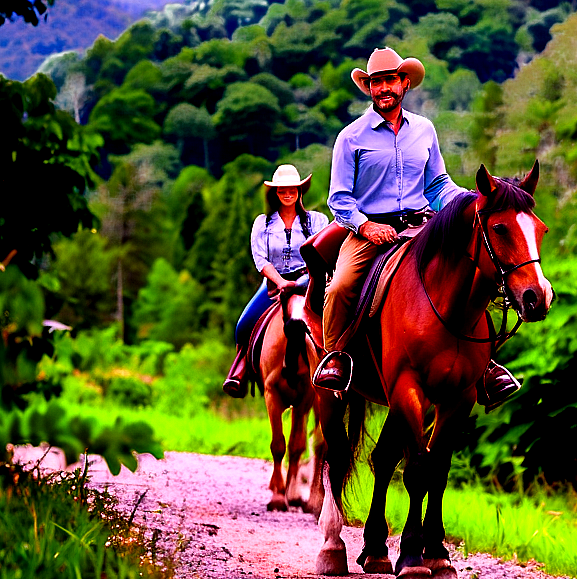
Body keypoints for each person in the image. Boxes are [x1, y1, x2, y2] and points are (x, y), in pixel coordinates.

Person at [312, 46, 522, 411]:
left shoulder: (424, 129)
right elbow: (339, 199)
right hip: (368, 233)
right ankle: (336, 358)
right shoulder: (350, 136)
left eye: (390, 80)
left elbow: (438, 184)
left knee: (470, 272)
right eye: (376, 82)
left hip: (422, 226)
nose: (384, 88)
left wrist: (470, 201)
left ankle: (484, 365)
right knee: (342, 285)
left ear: (404, 82)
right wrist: (366, 226)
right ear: (369, 88)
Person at [223, 164, 329, 398]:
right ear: (275, 193)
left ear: (300, 191)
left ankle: (340, 364)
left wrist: (302, 280)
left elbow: (322, 252)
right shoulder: (263, 223)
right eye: (282, 190)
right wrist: (280, 281)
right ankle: (239, 372)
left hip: (308, 282)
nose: (288, 194)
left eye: (292, 189)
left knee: (337, 315)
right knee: (243, 324)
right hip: (273, 284)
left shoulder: (317, 221)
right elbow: (260, 259)